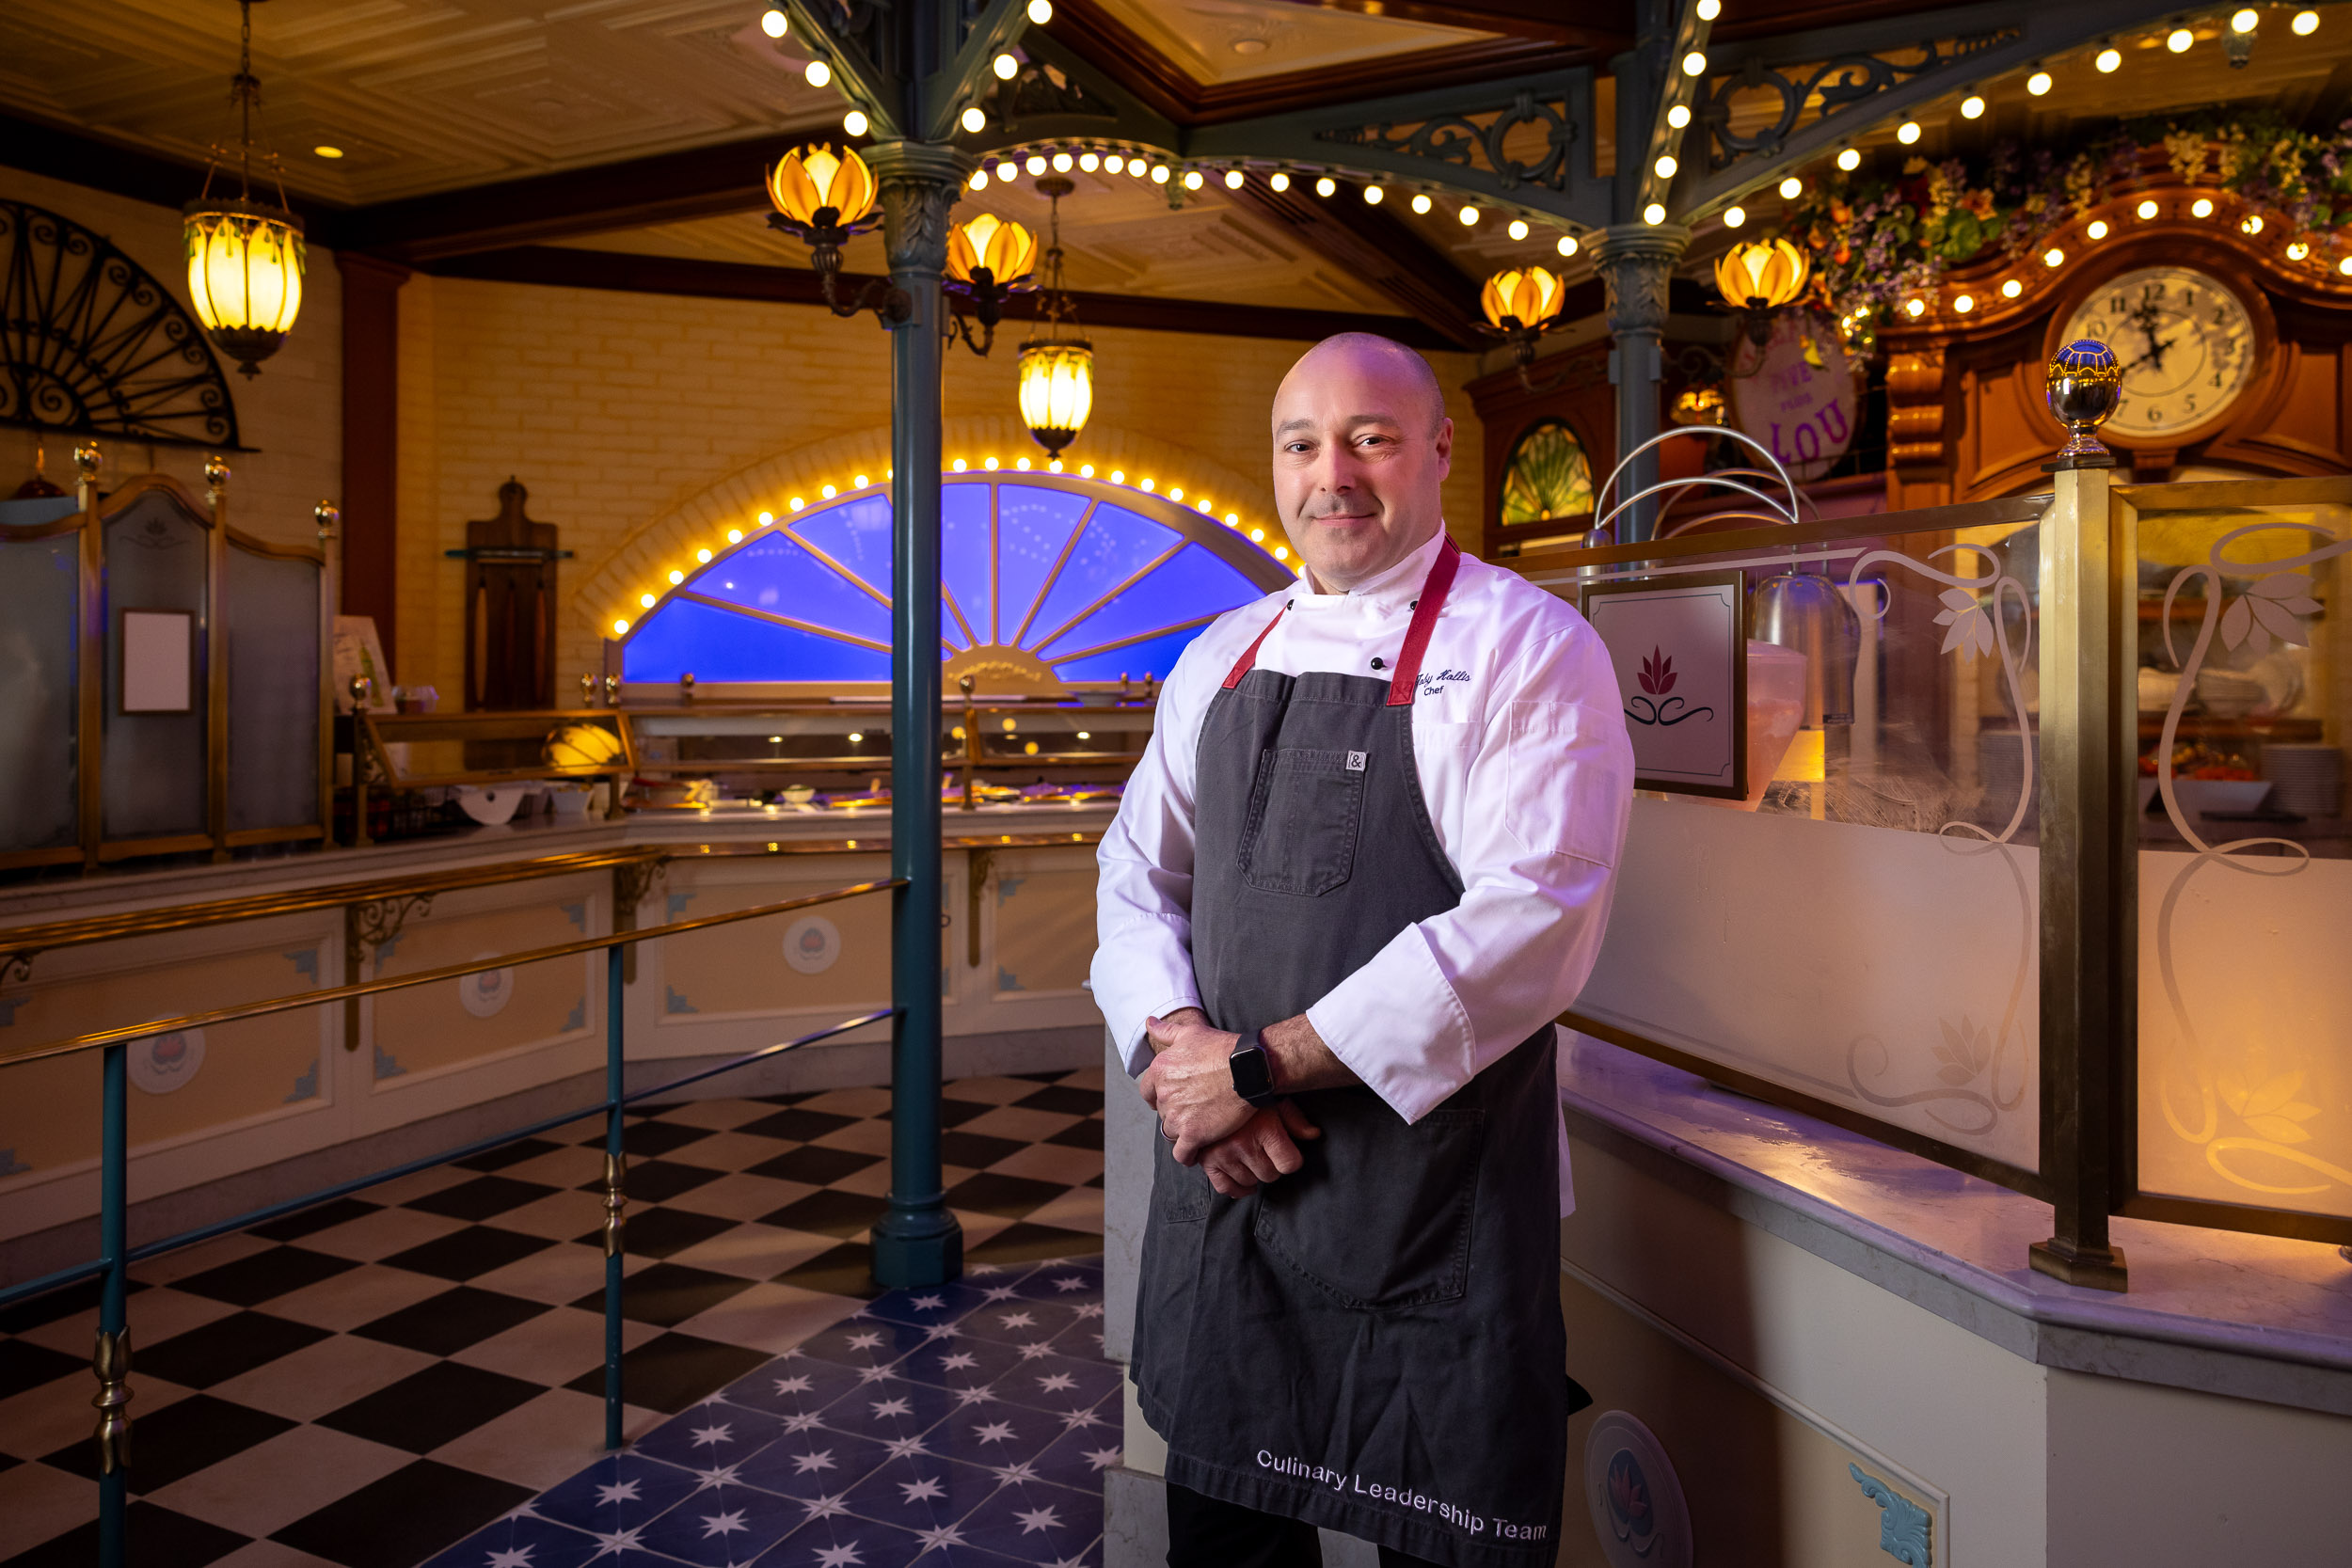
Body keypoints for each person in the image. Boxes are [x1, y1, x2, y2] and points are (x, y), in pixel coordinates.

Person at [1091, 332, 1636, 1568]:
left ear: (1440, 451)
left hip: (1429, 1203)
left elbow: (1534, 916)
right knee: (1226, 1537)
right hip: (1234, 1187)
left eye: (1370, 439)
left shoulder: (1532, 648)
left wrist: (1251, 1074)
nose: (1331, 473)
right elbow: (1135, 873)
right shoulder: (1217, 654)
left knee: (1435, 1537)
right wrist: (1183, 1054)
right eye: (1301, 444)